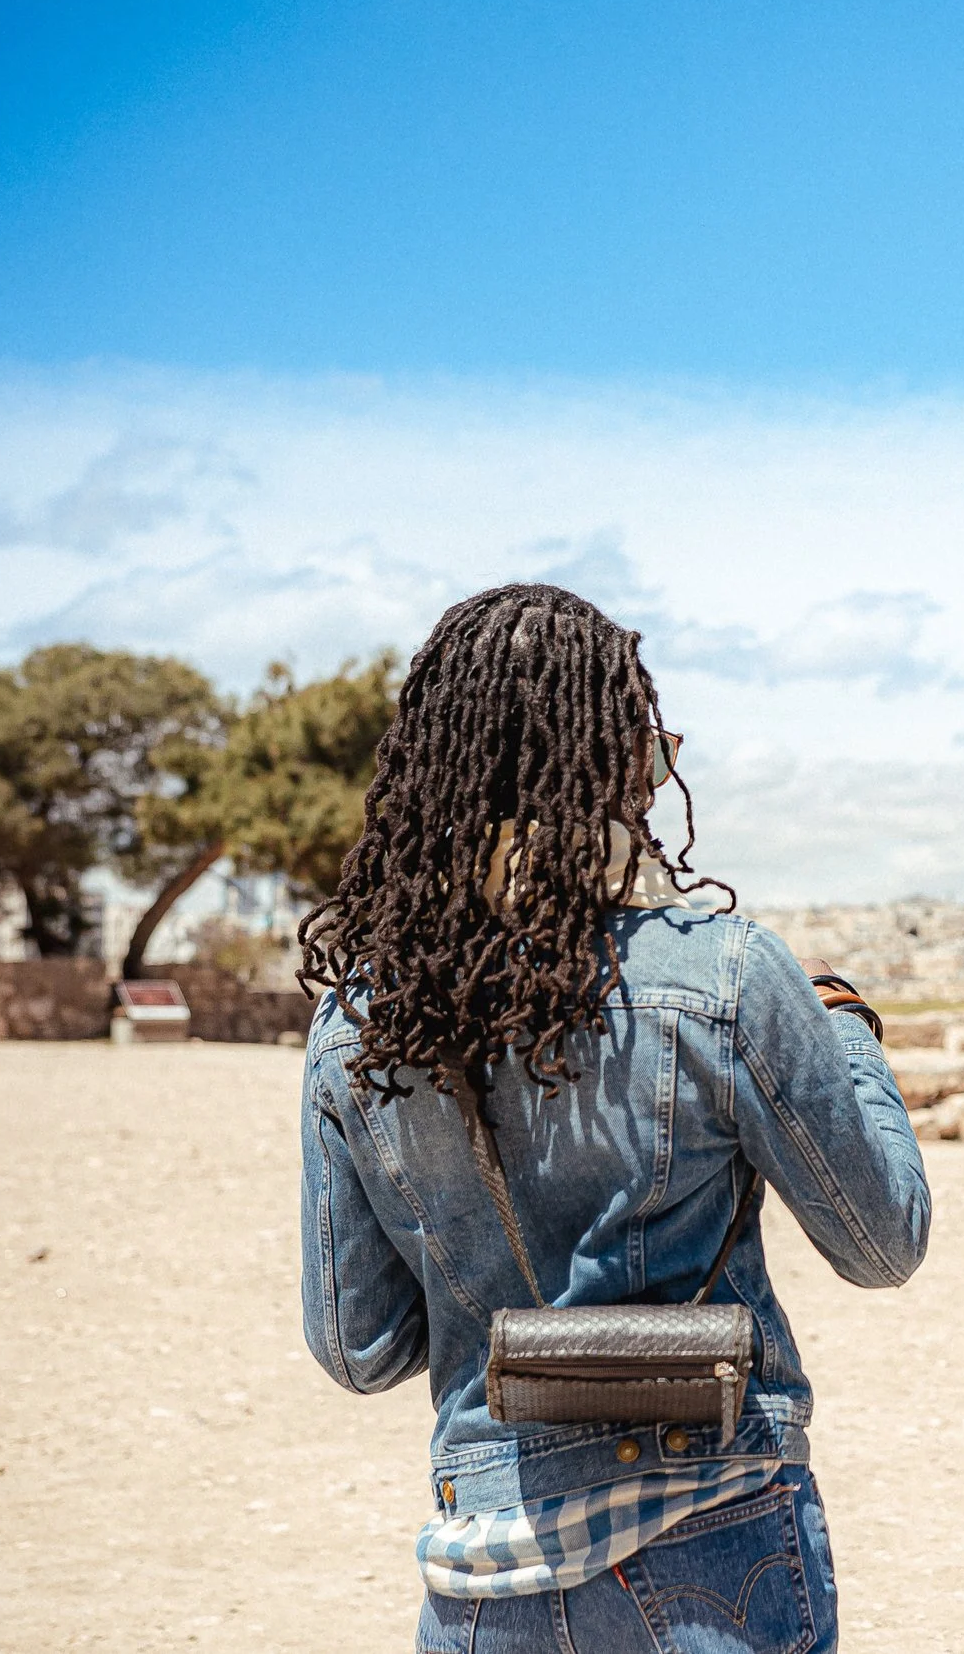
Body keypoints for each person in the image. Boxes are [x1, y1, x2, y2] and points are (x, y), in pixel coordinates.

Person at [297, 583, 929, 1654]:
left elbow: (359, 1346)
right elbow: (882, 1239)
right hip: (711, 1537)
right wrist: (849, 1030)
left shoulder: (356, 1024)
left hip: (483, 1569)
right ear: (614, 764)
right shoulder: (723, 972)